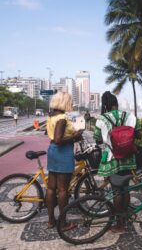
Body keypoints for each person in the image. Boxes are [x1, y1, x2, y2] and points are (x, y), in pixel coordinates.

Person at [93, 91, 141, 233]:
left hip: (112, 158)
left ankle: (119, 223)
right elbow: (138, 134)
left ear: (105, 105)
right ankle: (124, 218)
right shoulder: (129, 116)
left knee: (116, 191)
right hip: (128, 157)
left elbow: (97, 139)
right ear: (116, 103)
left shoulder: (102, 119)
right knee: (125, 188)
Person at [46, 91, 82, 230]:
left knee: (51, 187)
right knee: (62, 190)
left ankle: (51, 221)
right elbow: (59, 139)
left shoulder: (51, 115)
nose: (71, 104)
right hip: (63, 152)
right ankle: (63, 223)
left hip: (52, 151)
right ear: (64, 102)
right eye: (70, 101)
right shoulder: (61, 117)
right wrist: (76, 135)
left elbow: (54, 137)